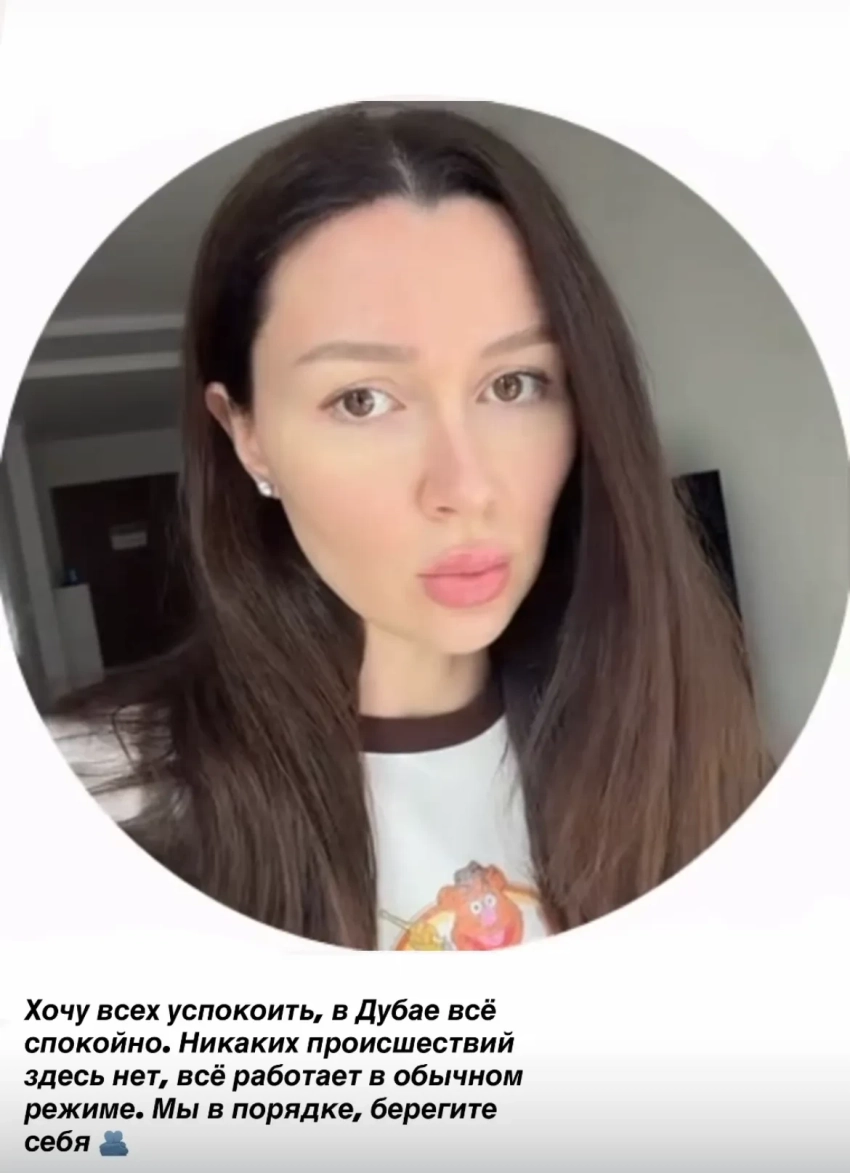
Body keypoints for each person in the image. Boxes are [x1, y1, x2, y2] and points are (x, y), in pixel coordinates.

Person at [48, 104, 773, 951]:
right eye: (363, 400)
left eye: (514, 384)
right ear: (246, 434)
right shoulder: (94, 800)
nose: (465, 488)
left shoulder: (698, 754)